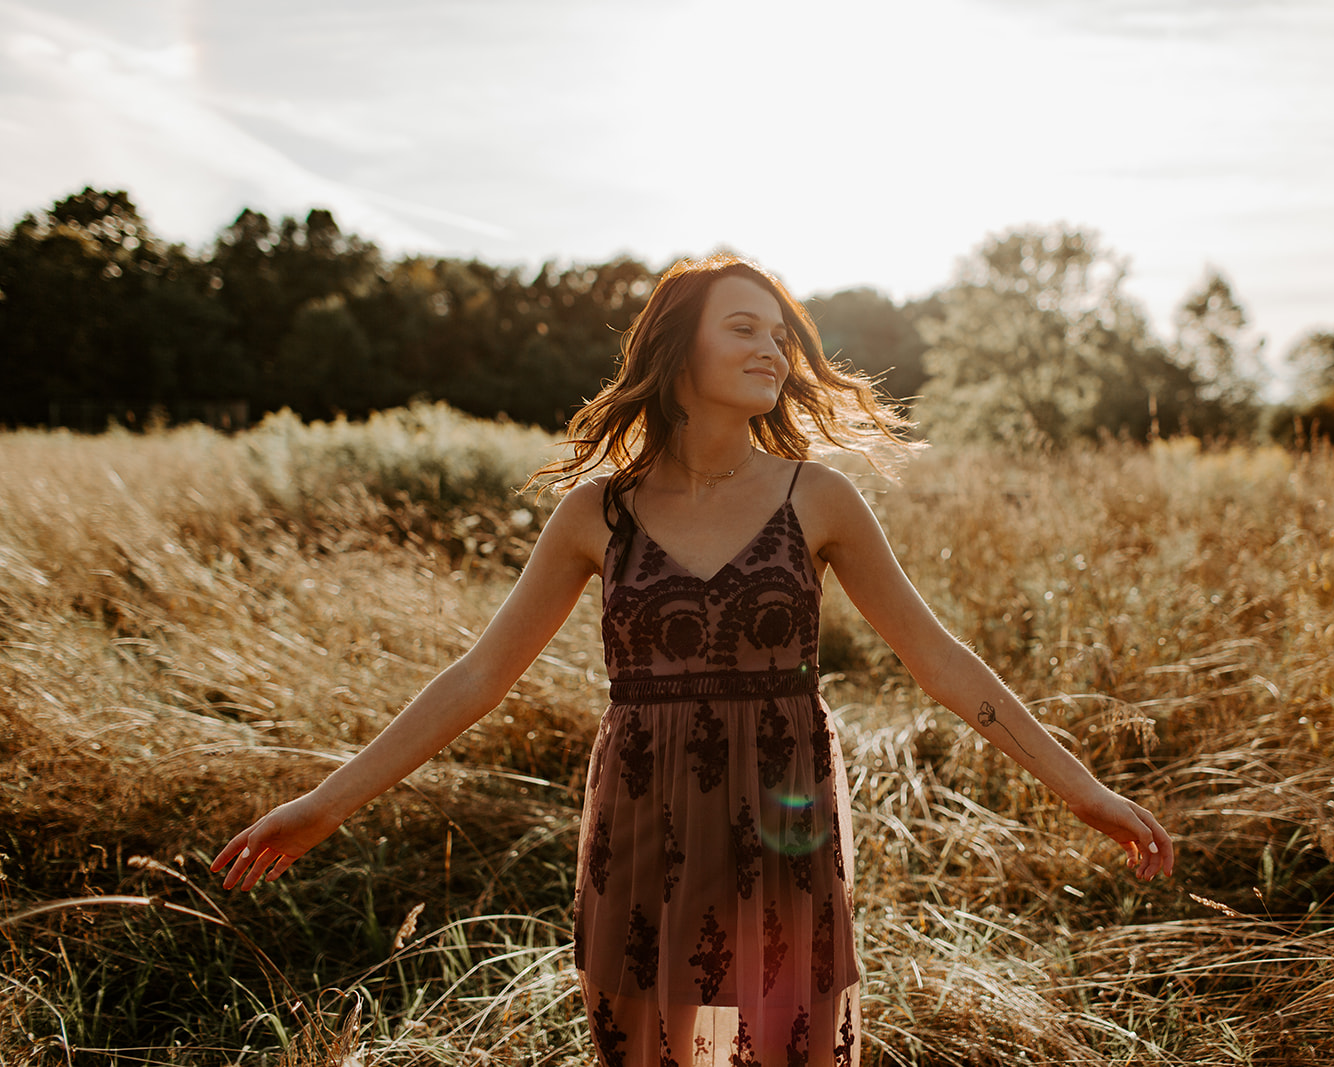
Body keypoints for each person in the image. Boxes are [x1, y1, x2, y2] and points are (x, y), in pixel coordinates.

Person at [211, 254, 1175, 1066]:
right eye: (745, 328)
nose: (774, 351)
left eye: (783, 335)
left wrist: (1082, 789)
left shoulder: (819, 498)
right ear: (680, 350)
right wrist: (320, 806)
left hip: (783, 835)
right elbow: (475, 678)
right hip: (644, 830)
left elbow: (940, 659)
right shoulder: (598, 512)